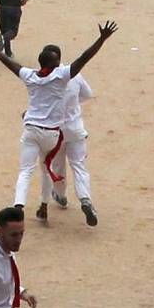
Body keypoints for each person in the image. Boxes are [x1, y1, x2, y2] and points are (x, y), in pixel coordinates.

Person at [0, 21, 117, 211]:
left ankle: (26, 203)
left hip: (33, 128)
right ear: (56, 62)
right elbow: (84, 58)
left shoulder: (30, 75)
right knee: (71, 166)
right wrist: (102, 38)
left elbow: (10, 64)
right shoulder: (63, 76)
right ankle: (82, 199)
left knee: (32, 170)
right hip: (57, 131)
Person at [39, 72, 98, 226]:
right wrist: (73, 104)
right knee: (79, 166)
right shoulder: (74, 76)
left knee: (58, 165)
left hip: (57, 130)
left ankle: (60, 194)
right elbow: (88, 94)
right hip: (75, 127)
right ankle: (85, 199)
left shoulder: (45, 80)